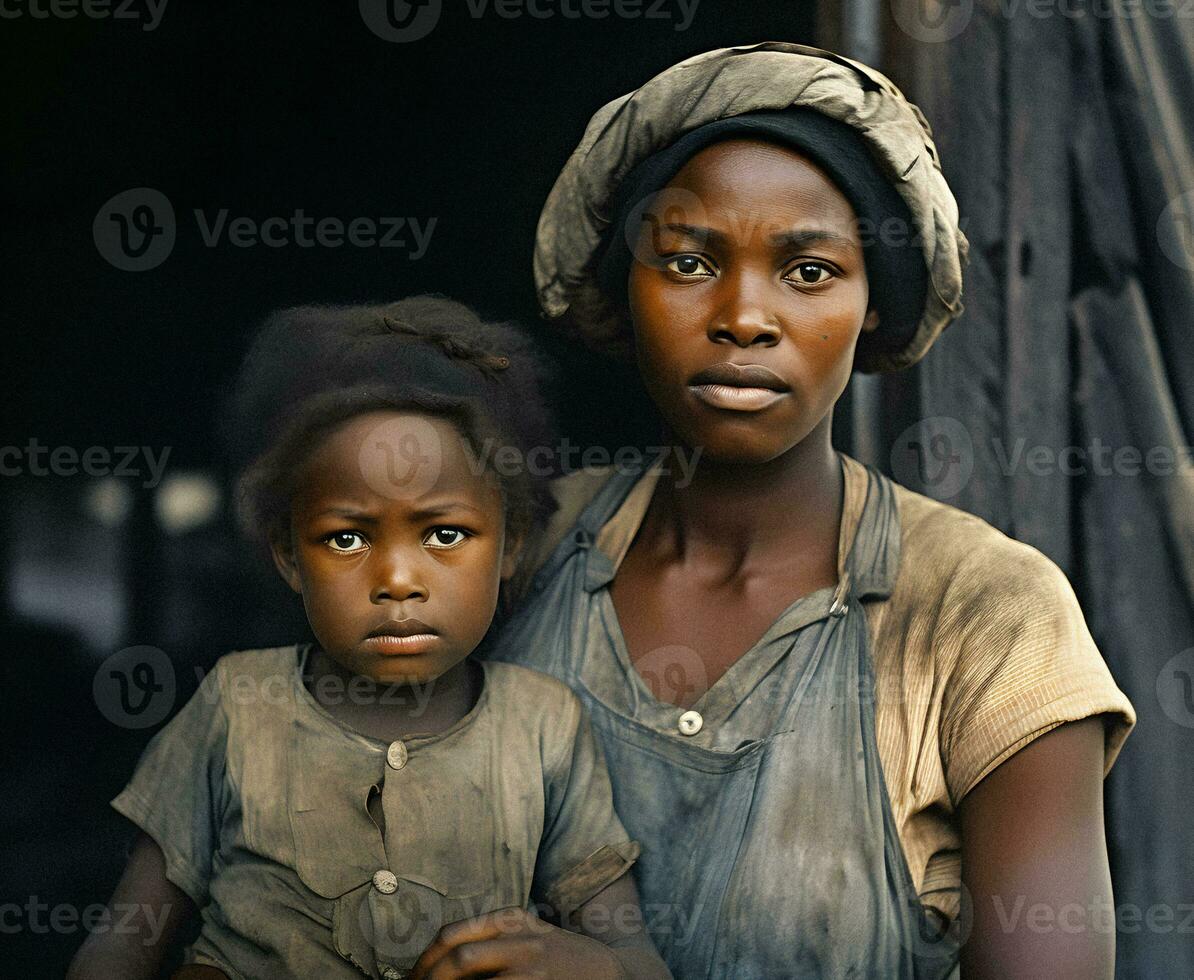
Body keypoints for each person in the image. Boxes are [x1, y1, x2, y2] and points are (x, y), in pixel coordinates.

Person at [484, 43, 1137, 979]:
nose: (744, 315)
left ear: (873, 303)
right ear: (627, 291)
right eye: (687, 260)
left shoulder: (987, 616)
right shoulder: (515, 550)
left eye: (809, 272)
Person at [67, 297, 671, 980]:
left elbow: (634, 954)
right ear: (287, 553)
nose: (398, 579)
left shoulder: (544, 727)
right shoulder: (235, 707)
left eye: (445, 534)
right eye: (347, 537)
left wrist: (592, 967)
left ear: (512, 543)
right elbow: (124, 941)